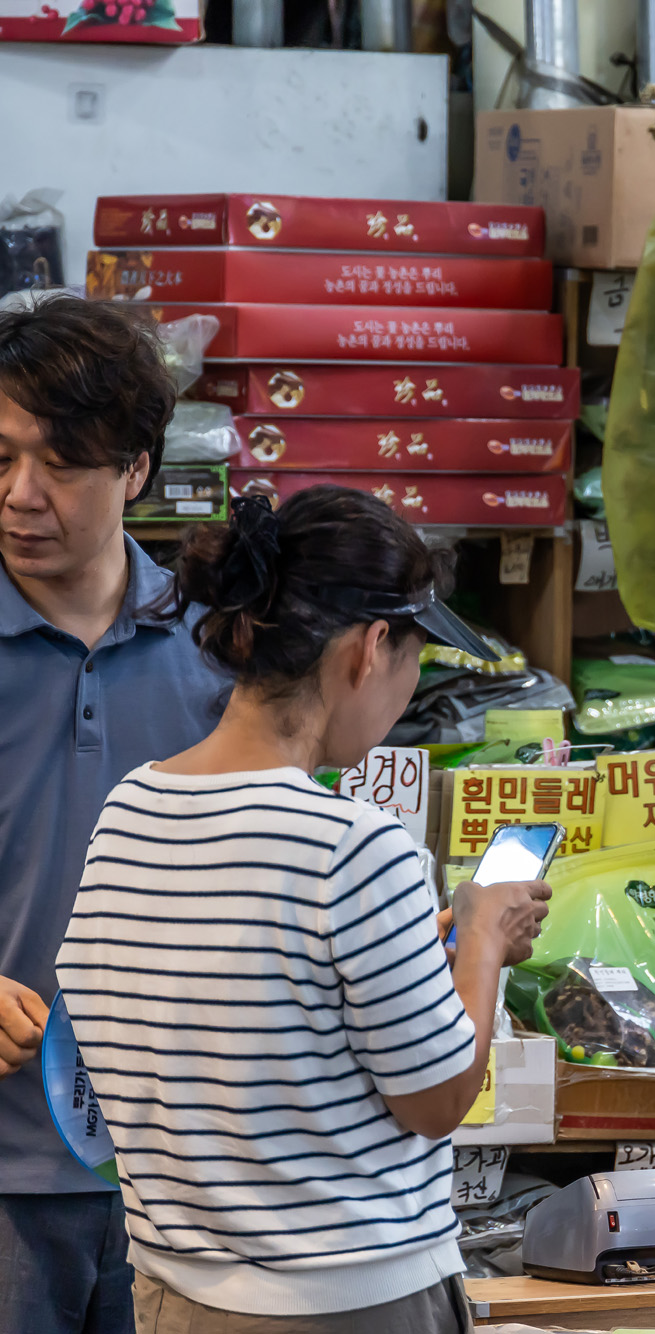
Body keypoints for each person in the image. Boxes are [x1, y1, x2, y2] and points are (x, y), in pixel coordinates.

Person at [55, 486, 551, 1334]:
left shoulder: (130, 811)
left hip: (172, 1293)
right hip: (345, 1301)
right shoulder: (354, 847)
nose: (405, 697)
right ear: (370, 649)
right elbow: (434, 1103)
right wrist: (481, 942)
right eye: (415, 664)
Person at [0, 295, 226, 1334]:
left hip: (184, 1184)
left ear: (136, 468)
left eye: (61, 464)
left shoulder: (221, 655)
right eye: (1, 457)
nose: (19, 495)